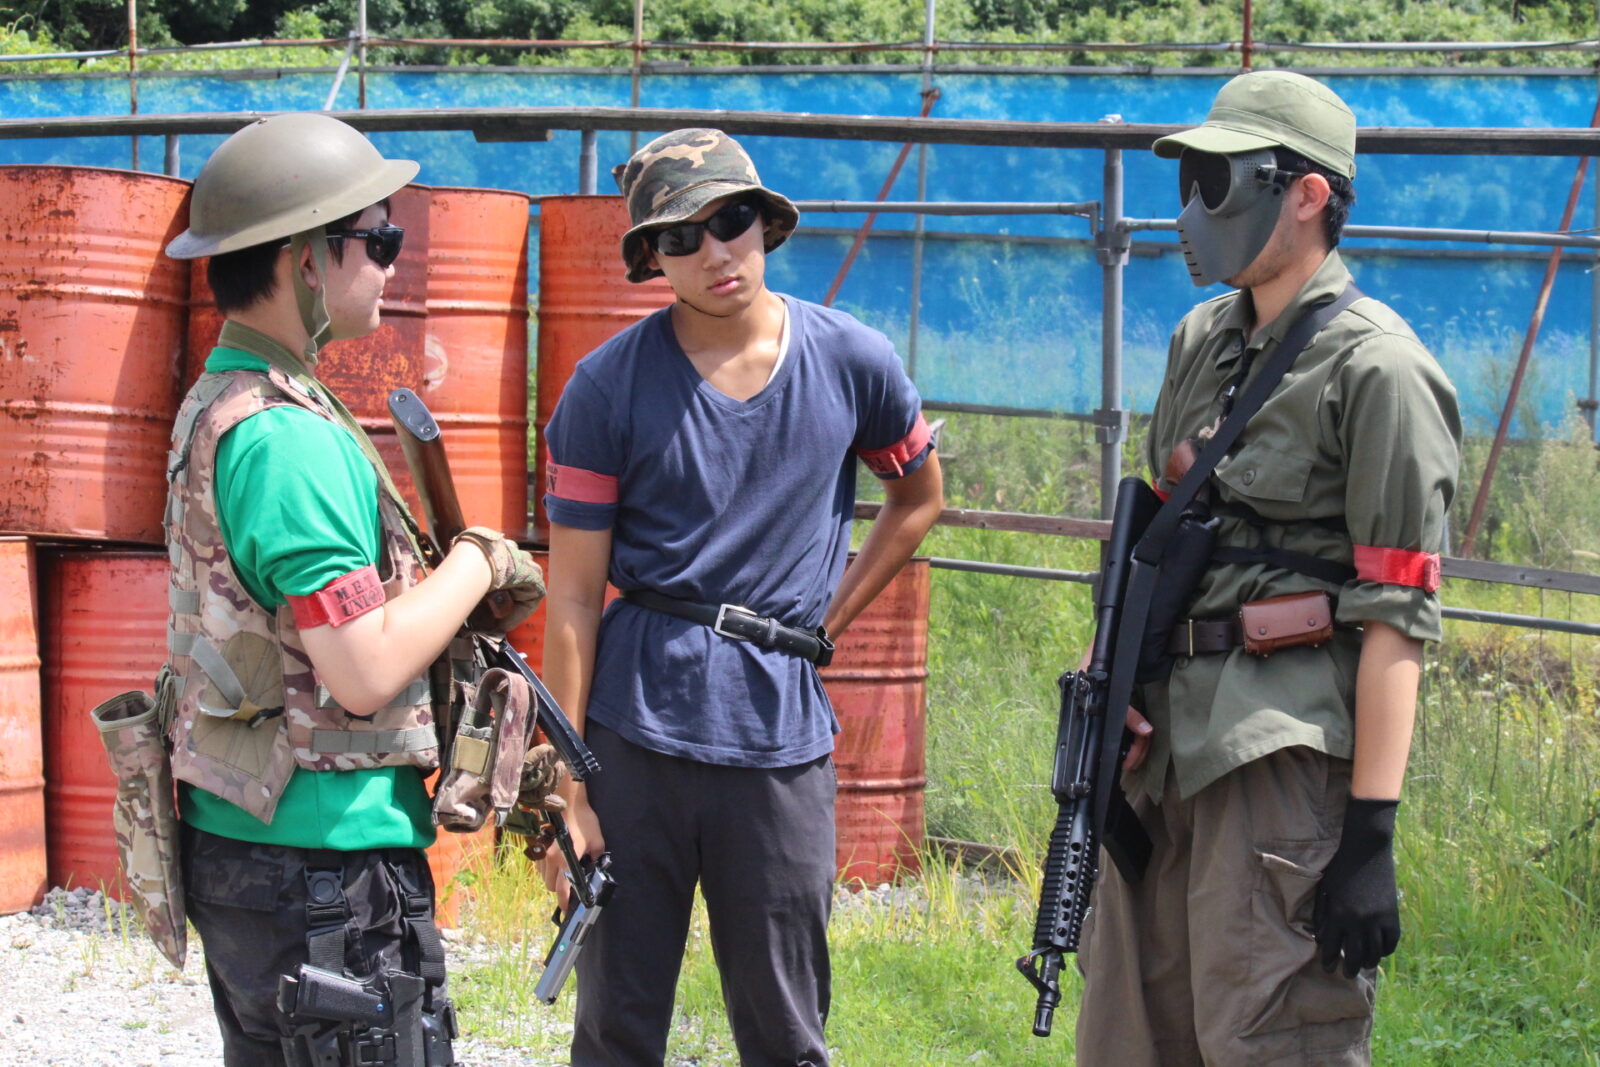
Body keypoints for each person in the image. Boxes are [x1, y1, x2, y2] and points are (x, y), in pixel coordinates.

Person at [1074, 71, 1461, 1065]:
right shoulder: (1199, 339)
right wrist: (1112, 679)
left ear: (1307, 193)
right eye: (1187, 180)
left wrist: (1370, 832)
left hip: (1276, 759)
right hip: (1163, 752)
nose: (1192, 208)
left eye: (1217, 180)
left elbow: (1396, 615)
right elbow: (1159, 540)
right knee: (1130, 1034)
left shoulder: (1379, 369)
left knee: (1267, 1037)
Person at [537, 127, 945, 1066]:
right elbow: (573, 601)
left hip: (779, 737)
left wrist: (822, 623)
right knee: (615, 1025)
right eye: (682, 237)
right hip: (633, 734)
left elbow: (918, 497)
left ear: (766, 224)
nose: (716, 252)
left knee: (787, 1028)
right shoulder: (605, 388)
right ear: (652, 257)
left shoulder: (853, 359)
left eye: (732, 222)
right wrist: (569, 788)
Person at [160, 112, 545, 1066]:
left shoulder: (227, 401)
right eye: (377, 241)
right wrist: (477, 560)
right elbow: (362, 667)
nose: (390, 265)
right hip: (324, 868)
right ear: (305, 260)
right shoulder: (289, 439)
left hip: (260, 854)